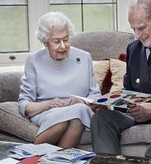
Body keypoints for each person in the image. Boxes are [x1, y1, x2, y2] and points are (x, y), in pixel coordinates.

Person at [18, 11, 101, 148]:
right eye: (56, 41)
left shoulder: (84, 57)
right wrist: (49, 104)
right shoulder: (34, 60)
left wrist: (82, 101)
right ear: (45, 42)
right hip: (46, 112)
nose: (63, 46)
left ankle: (32, 156)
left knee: (77, 112)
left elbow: (95, 95)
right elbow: (24, 105)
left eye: (66, 39)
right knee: (71, 117)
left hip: (80, 110)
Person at [91, 0, 151, 157]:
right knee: (101, 118)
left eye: (142, 28)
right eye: (133, 29)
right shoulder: (133, 49)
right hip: (136, 115)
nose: (138, 35)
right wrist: (109, 104)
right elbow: (128, 91)